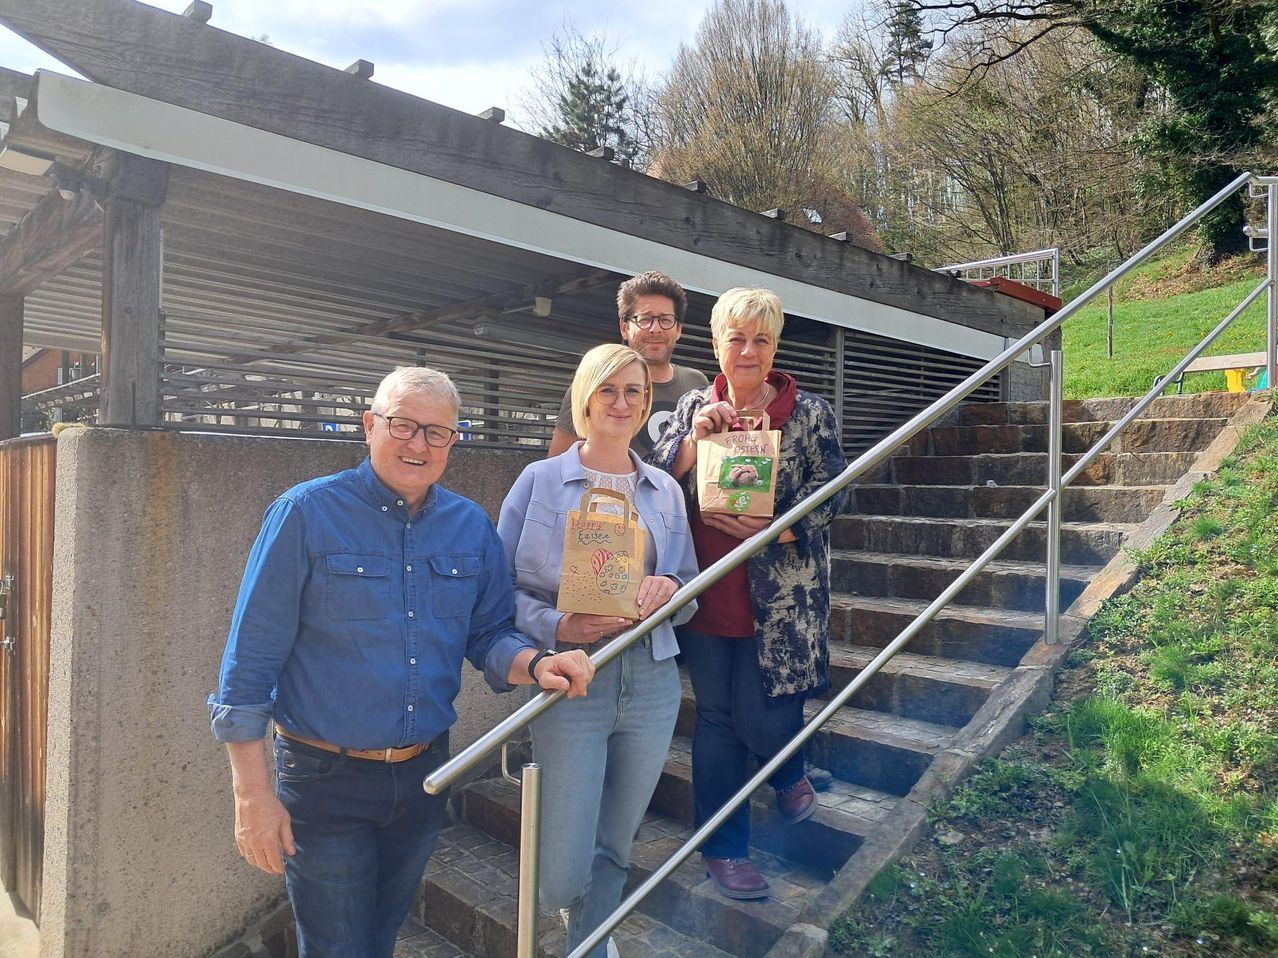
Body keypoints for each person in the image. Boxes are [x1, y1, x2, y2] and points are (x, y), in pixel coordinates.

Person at [208, 366, 595, 958]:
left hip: (423, 777)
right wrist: (251, 796)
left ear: (453, 441)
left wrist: (537, 664)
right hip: (323, 782)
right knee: (337, 948)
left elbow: (488, 634)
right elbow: (249, 664)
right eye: (403, 426)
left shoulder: (469, 526)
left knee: (381, 937)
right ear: (370, 426)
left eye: (436, 432)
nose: (418, 444)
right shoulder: (304, 514)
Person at [499, 344, 699, 958]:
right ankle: (566, 915)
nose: (621, 402)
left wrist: (673, 588)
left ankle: (593, 939)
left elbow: (689, 592)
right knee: (563, 849)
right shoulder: (539, 480)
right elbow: (495, 592)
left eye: (634, 392)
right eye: (607, 390)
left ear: (646, 405)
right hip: (573, 675)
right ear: (584, 398)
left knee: (617, 836)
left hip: (652, 676)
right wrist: (559, 623)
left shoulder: (664, 490)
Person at [648, 287, 848, 901]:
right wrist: (691, 443)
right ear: (715, 345)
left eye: (761, 339)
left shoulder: (808, 413)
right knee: (716, 721)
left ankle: (787, 767)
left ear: (775, 347)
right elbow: (650, 481)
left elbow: (836, 490)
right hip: (706, 595)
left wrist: (779, 526)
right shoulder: (689, 407)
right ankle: (725, 848)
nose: (748, 350)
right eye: (736, 338)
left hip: (783, 600)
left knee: (765, 714)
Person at [547, 271, 708, 458]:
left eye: (665, 320)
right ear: (624, 327)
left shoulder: (696, 384)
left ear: (678, 329)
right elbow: (558, 465)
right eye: (645, 319)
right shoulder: (593, 385)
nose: (655, 329)